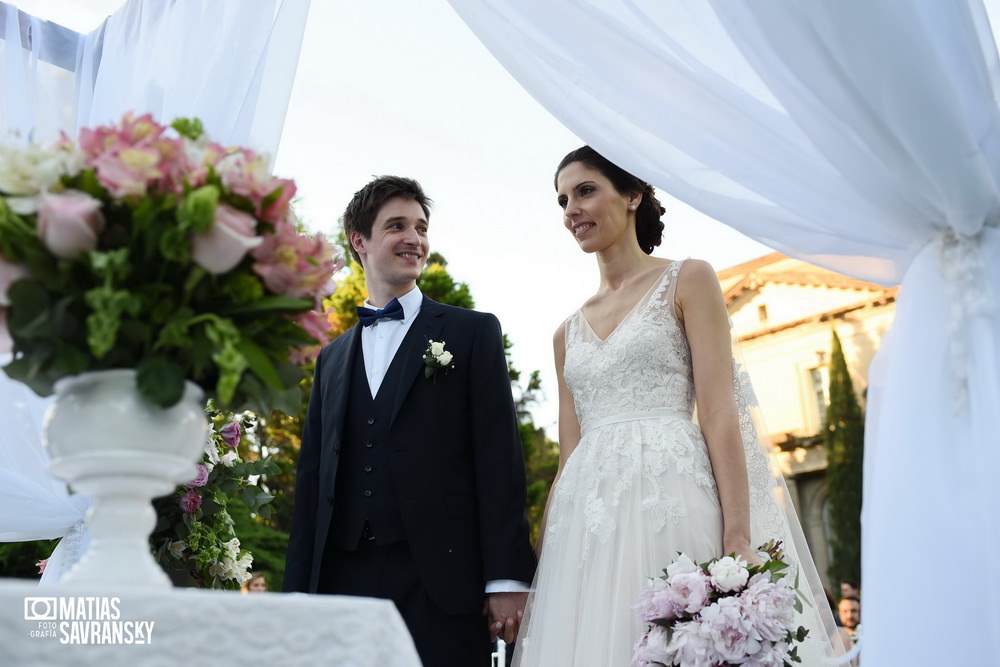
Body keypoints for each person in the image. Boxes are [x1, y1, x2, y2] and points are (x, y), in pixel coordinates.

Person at [512, 147, 841, 665]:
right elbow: (566, 458)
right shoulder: (564, 334)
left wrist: (738, 530)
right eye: (562, 199)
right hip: (586, 524)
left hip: (673, 498)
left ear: (633, 195)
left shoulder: (689, 278)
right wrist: (539, 566)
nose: (570, 209)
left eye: (585, 191)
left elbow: (717, 412)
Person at [283, 175, 535, 667]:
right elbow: (312, 481)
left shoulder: (472, 332)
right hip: (342, 579)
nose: (414, 239)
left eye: (421, 227)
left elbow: (499, 458)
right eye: (396, 225)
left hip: (441, 579)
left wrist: (506, 579)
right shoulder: (331, 359)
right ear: (360, 241)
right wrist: (298, 595)